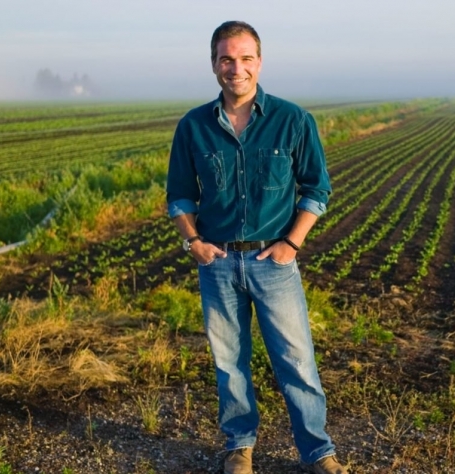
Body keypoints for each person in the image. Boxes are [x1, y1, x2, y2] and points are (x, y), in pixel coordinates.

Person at [165, 20, 347, 474]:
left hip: (274, 262)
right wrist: (194, 243)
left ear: (259, 62)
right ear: (214, 65)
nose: (236, 68)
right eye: (227, 59)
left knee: (297, 362)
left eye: (246, 58)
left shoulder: (292, 120)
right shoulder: (193, 126)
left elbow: (316, 189)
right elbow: (179, 195)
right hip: (219, 263)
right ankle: (239, 446)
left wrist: (292, 243)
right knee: (229, 363)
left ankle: (318, 452)